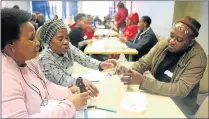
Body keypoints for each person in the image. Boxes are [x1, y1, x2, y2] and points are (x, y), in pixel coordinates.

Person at [2, 8, 89, 118]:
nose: (37, 43)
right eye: (31, 38)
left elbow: (46, 87)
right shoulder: (5, 78)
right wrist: (70, 105)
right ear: (11, 44)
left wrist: (69, 92)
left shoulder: (29, 62)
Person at [117, 16, 207, 117]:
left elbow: (180, 90)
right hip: (155, 92)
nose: (172, 41)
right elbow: (143, 63)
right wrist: (129, 71)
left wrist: (143, 81)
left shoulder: (198, 58)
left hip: (178, 106)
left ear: (191, 43)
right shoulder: (164, 43)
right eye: (171, 35)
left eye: (179, 40)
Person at [38, 19, 117, 97]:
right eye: (60, 38)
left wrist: (100, 65)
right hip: (55, 97)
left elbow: (84, 59)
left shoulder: (68, 47)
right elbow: (62, 80)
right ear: (48, 41)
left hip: (71, 90)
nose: (66, 41)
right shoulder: (44, 59)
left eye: (66, 38)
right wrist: (79, 82)